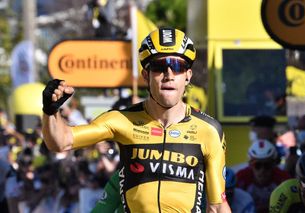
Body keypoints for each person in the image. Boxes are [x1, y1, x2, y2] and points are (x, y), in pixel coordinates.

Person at [41, 27, 231, 212]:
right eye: (159, 67)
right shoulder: (122, 120)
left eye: (177, 66)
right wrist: (50, 111)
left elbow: (218, 206)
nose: (169, 75)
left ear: (188, 76)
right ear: (145, 75)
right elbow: (61, 142)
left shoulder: (209, 130)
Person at [236, 139, 290, 213]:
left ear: (274, 165)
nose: (262, 170)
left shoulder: (283, 178)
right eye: (257, 165)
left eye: (267, 165)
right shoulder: (241, 178)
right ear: (250, 165)